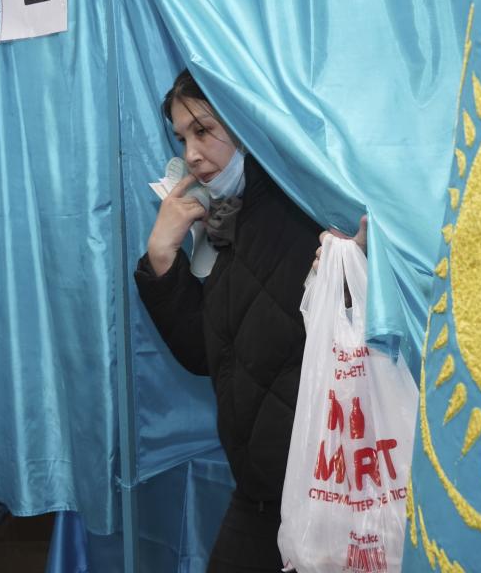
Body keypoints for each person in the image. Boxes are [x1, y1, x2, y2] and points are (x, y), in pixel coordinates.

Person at [134, 69, 364, 572]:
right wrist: (162, 257)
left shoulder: (303, 208)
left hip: (326, 495)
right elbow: (207, 352)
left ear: (243, 122)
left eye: (203, 130)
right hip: (262, 495)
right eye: (182, 137)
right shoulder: (230, 222)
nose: (191, 153)